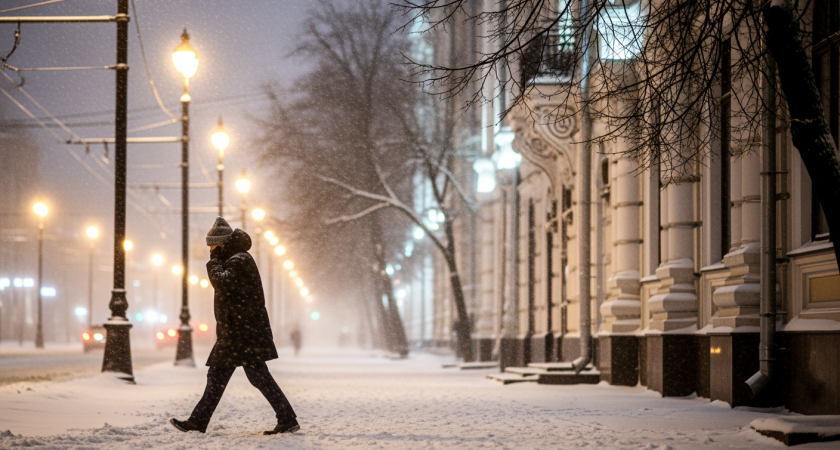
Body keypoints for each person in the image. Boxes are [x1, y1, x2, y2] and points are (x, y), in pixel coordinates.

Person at [170, 217, 299, 435]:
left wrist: (213, 263)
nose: (210, 250)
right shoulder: (237, 259)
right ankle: (286, 418)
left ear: (221, 244)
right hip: (239, 331)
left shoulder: (239, 260)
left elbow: (222, 283)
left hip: (241, 332)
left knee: (234, 377)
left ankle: (198, 422)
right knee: (232, 377)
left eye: (212, 246)